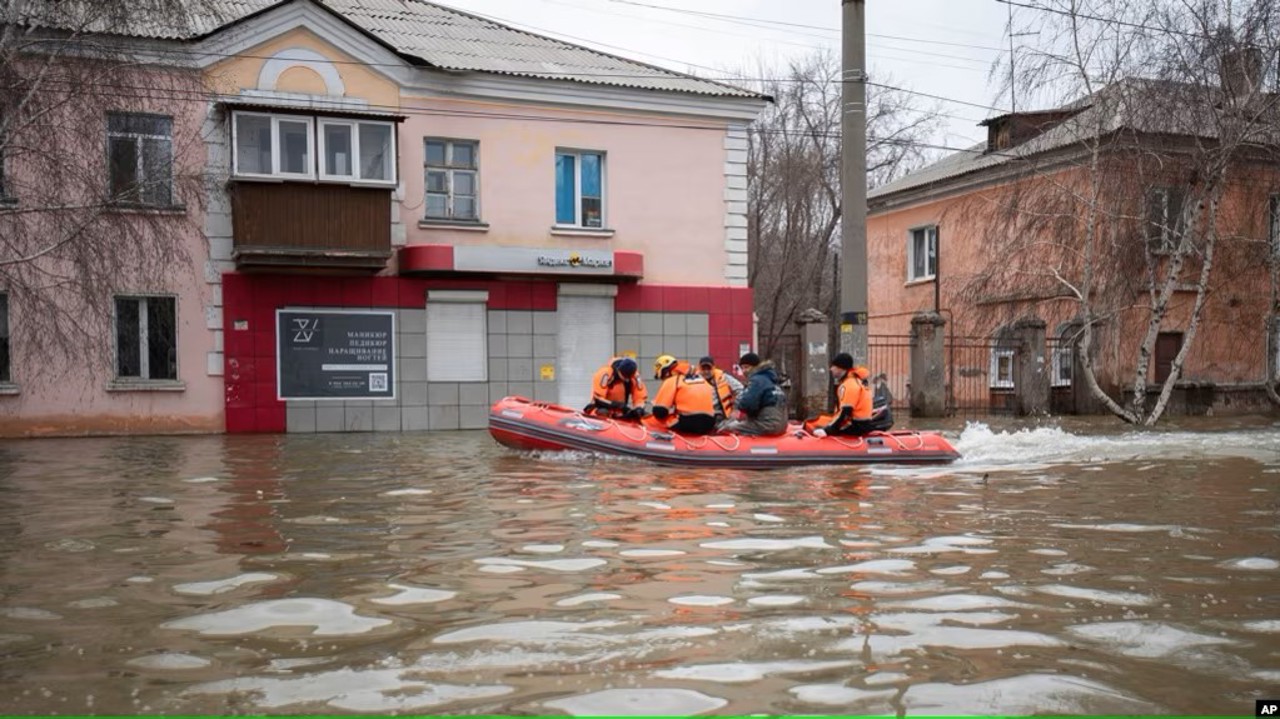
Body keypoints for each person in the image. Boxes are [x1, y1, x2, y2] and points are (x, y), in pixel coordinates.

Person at [804, 352, 882, 437]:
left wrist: (828, 430)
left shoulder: (849, 384)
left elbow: (845, 413)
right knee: (819, 420)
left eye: (833, 366)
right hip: (859, 424)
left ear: (840, 368)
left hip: (856, 426)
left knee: (814, 426)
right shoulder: (853, 381)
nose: (831, 369)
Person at [719, 352, 787, 436]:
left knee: (726, 428)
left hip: (768, 425)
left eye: (747, 367)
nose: (744, 371)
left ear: (756, 366)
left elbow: (748, 404)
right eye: (742, 368)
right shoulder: (771, 381)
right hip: (781, 426)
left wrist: (737, 408)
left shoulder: (757, 380)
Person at [647, 354, 718, 435]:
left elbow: (660, 411)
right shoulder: (701, 379)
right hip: (709, 423)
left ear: (665, 373)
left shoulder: (672, 380)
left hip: (688, 422)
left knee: (655, 421)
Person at [697, 355, 743, 422]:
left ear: (713, 368)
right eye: (703, 369)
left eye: (709, 368)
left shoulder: (723, 377)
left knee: (732, 427)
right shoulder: (694, 379)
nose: (706, 371)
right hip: (700, 416)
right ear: (699, 369)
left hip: (720, 415)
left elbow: (741, 390)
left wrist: (736, 409)